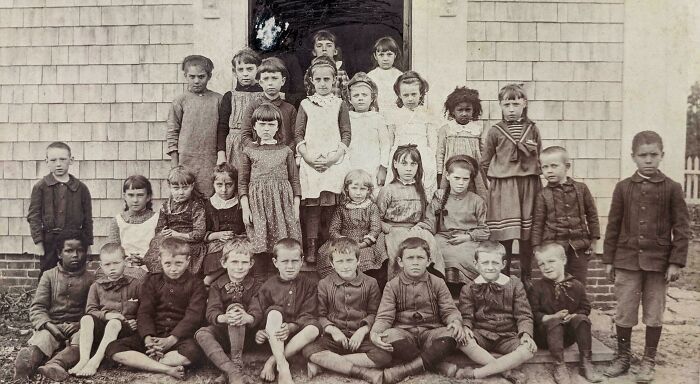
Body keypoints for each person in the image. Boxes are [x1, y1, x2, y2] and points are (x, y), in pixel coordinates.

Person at [603, 131, 690, 382]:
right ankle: (623, 356)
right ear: (633, 157)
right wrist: (609, 259)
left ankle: (649, 359)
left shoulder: (672, 188)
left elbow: (682, 228)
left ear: (662, 156)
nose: (648, 160)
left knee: (654, 311)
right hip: (627, 260)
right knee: (625, 310)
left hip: (658, 263)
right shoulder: (623, 188)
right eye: (643, 156)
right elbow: (613, 225)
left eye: (654, 155)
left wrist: (675, 262)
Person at [105, 238, 207, 380]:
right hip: (153, 336)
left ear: (188, 260)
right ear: (160, 260)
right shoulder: (152, 280)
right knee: (113, 349)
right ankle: (165, 368)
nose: (173, 268)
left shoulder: (196, 284)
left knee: (193, 353)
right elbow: (144, 312)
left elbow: (193, 316)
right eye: (168, 263)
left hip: (179, 338)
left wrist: (171, 340)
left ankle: (144, 362)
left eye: (178, 263)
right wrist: (148, 339)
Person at [370, 237, 465, 384]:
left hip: (431, 332)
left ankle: (406, 370)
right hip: (404, 333)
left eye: (420, 258)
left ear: (428, 261)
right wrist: (375, 332)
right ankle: (438, 365)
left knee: (452, 334)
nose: (415, 262)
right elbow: (384, 316)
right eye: (410, 258)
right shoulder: (392, 285)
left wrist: (455, 321)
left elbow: (449, 309)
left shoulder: (438, 283)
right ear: (400, 262)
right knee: (387, 335)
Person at [303, 238, 392, 384]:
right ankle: (355, 370)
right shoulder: (324, 284)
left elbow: (374, 313)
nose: (345, 266)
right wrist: (332, 330)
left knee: (384, 355)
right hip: (334, 338)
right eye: (340, 261)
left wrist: (362, 331)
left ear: (358, 260)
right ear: (332, 263)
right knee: (308, 349)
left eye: (349, 260)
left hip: (361, 338)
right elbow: (320, 314)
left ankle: (325, 365)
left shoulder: (370, 283)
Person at [448, 241, 536, 383]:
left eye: (495, 263)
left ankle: (477, 373)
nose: (490, 267)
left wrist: (525, 334)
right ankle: (506, 371)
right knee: (461, 340)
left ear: (503, 264)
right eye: (485, 263)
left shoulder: (514, 285)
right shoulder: (469, 288)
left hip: (508, 335)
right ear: (476, 264)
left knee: (529, 349)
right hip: (482, 334)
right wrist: (466, 327)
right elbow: (467, 315)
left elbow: (524, 315)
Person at [480, 83, 542, 285]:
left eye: (516, 103)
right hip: (504, 189)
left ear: (524, 104)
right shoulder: (495, 131)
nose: (512, 109)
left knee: (526, 237)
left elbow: (539, 156)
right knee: (505, 236)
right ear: (500, 105)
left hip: (528, 187)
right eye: (507, 104)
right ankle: (503, 278)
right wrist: (497, 184)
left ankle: (526, 277)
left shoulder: (532, 129)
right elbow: (485, 162)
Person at [14, 233, 94, 381]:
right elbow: (38, 307)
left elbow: (92, 309)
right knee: (42, 340)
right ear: (59, 253)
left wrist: (79, 324)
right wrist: (49, 325)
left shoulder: (91, 280)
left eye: (80, 250)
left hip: (78, 326)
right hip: (52, 325)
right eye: (69, 251)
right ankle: (26, 365)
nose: (75, 255)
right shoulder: (49, 276)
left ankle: (56, 365)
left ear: (86, 253)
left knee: (82, 341)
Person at [295, 55, 352, 262]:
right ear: (311, 81)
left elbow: (346, 133)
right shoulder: (306, 104)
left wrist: (335, 156)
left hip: (333, 162)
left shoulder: (339, 104)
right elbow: (298, 134)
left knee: (332, 207)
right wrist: (308, 158)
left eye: (326, 80)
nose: (322, 84)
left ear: (334, 80)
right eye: (318, 80)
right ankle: (311, 247)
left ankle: (330, 247)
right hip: (311, 162)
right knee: (313, 208)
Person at [239, 103, 303, 274]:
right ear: (254, 126)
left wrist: (296, 207)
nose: (266, 128)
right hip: (258, 205)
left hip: (283, 205)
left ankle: (282, 278)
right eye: (262, 124)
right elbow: (243, 182)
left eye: (271, 124)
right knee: (260, 243)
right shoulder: (248, 150)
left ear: (278, 126)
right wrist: (245, 208)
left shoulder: (286, 151)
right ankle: (260, 282)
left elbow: (295, 180)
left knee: (282, 244)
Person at [247, 238, 320, 384]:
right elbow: (257, 309)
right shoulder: (268, 285)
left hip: (297, 338)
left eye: (294, 261)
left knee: (314, 328)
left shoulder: (310, 285)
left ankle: (273, 361)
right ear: (275, 263)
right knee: (274, 312)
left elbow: (309, 313)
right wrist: (259, 331)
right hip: (274, 337)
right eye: (284, 261)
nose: (290, 266)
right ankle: (284, 367)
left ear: (301, 261)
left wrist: (292, 326)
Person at [69, 243, 146, 377]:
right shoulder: (96, 286)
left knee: (115, 323)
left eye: (116, 263)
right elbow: (91, 310)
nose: (112, 268)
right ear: (101, 265)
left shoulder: (136, 284)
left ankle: (95, 361)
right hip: (103, 329)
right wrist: (107, 315)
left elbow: (145, 309)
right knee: (86, 319)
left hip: (125, 331)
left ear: (125, 261)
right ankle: (84, 360)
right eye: (107, 265)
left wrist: (137, 321)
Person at [528, 243, 602, 384]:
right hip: (545, 337)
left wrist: (573, 316)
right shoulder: (537, 288)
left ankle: (586, 362)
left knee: (582, 319)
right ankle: (559, 365)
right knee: (554, 322)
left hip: (567, 337)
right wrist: (551, 317)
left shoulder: (577, 285)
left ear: (563, 260)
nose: (546, 267)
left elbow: (585, 308)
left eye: (551, 261)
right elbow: (532, 312)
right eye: (541, 264)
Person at [415, 155, 489, 290]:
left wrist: (468, 236)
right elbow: (430, 221)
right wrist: (420, 228)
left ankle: (463, 287)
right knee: (434, 250)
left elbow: (485, 230)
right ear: (448, 176)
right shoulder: (440, 197)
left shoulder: (477, 201)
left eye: (465, 179)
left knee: (465, 254)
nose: (461, 183)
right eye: (457, 178)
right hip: (444, 238)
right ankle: (441, 286)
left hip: (467, 240)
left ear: (470, 180)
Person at [195, 239, 264, 384]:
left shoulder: (257, 286)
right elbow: (211, 312)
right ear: (224, 263)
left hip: (247, 336)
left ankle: (234, 368)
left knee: (236, 310)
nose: (239, 267)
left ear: (251, 264)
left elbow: (257, 311)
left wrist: (247, 318)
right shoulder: (216, 286)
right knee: (201, 333)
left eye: (244, 262)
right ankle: (233, 371)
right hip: (223, 335)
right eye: (234, 262)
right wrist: (224, 318)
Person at [532, 146, 600, 286]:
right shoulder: (542, 195)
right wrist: (537, 247)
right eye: (545, 167)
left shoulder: (581, 189)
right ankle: (557, 308)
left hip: (579, 247)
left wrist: (593, 241)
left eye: (554, 166)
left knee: (578, 282)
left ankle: (577, 308)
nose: (549, 171)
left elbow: (592, 215)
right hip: (553, 248)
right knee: (555, 282)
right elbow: (538, 223)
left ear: (567, 166)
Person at [376, 145, 444, 280]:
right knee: (399, 247)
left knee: (430, 242)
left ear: (418, 166)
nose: (408, 168)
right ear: (395, 164)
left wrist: (421, 226)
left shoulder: (421, 189)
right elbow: (376, 217)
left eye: (413, 164)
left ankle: (428, 282)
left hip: (416, 228)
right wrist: (385, 227)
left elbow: (426, 215)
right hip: (393, 230)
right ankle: (399, 284)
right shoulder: (388, 190)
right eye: (404, 163)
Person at [27, 141, 93, 278]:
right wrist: (39, 242)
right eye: (53, 160)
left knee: (75, 274)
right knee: (48, 274)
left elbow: (88, 219)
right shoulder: (40, 187)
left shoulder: (81, 188)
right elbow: (34, 217)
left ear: (71, 160)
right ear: (46, 161)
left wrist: (88, 243)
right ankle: (45, 300)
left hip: (74, 241)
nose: (58, 164)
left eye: (63, 159)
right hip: (50, 241)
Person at [167, 54, 223, 197]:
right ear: (185, 76)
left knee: (208, 197)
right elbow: (172, 132)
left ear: (209, 76)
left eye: (201, 76)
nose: (197, 81)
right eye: (192, 77)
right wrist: (175, 165)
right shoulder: (180, 101)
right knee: (186, 197)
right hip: (186, 160)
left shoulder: (218, 100)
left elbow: (223, 131)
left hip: (210, 159)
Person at [316, 170, 387, 282]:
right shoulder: (342, 208)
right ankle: (338, 284)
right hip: (344, 241)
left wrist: (364, 243)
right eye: (354, 188)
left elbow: (375, 228)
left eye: (362, 189)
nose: (358, 193)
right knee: (329, 254)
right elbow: (333, 229)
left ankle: (361, 284)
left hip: (364, 242)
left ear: (368, 191)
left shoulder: (372, 207)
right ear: (347, 189)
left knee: (365, 256)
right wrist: (342, 241)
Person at [143, 166, 207, 274]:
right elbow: (159, 228)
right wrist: (163, 232)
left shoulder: (196, 206)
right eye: (176, 188)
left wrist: (178, 234)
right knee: (157, 246)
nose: (181, 192)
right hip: (171, 239)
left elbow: (199, 233)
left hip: (189, 241)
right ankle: (160, 278)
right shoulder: (166, 206)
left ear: (192, 186)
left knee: (180, 254)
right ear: (169, 186)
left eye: (185, 188)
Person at [385, 71, 439, 198]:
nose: (410, 98)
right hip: (400, 154)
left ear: (421, 94)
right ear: (399, 95)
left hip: (422, 155)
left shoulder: (427, 114)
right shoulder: (394, 115)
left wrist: (431, 157)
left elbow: (432, 140)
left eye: (414, 94)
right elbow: (390, 139)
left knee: (423, 183)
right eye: (406, 95)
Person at [437, 86, 488, 201]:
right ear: (452, 111)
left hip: (474, 170)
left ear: (474, 110)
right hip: (451, 170)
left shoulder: (477, 129)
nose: (464, 113)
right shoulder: (446, 129)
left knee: (475, 195)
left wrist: (485, 170)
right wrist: (439, 173)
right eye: (460, 110)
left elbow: (483, 151)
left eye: (468, 110)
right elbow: (440, 153)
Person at [217, 48, 264, 169]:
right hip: (235, 147)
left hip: (259, 144)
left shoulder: (264, 95)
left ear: (257, 69)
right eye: (240, 70)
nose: (245, 74)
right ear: (234, 72)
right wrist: (221, 154)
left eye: (249, 69)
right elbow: (222, 128)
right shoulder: (230, 96)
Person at [345, 72, 391, 190]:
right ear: (350, 100)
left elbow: (385, 144)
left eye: (364, 95)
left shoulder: (377, 118)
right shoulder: (347, 118)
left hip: (373, 166)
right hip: (352, 164)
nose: (360, 98)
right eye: (356, 95)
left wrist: (383, 167)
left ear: (372, 98)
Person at [241, 57, 298, 150]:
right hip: (259, 157)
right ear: (260, 82)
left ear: (283, 81)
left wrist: (285, 152)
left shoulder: (290, 109)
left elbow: (295, 137)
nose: (270, 83)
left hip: (283, 158)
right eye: (266, 79)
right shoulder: (253, 106)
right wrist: (257, 149)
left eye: (274, 78)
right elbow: (245, 135)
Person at [203, 163, 245, 285]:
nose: (224, 190)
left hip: (238, 241)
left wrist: (237, 237)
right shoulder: (209, 205)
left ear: (235, 184)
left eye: (229, 185)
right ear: (213, 185)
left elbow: (246, 228)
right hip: (216, 243)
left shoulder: (241, 204)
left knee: (236, 252)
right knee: (216, 255)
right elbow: (203, 233)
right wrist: (217, 235)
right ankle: (209, 281)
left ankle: (208, 282)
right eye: (219, 185)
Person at [106, 175, 159, 269]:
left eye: (140, 195)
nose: (135, 200)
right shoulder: (118, 221)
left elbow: (160, 249)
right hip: (124, 268)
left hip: (151, 268)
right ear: (124, 196)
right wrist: (126, 260)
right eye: (131, 195)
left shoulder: (157, 219)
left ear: (148, 197)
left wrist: (145, 260)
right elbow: (113, 250)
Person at [367, 36, 404, 115]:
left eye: (389, 54)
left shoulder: (400, 76)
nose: (385, 59)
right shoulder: (370, 76)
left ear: (395, 55)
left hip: (396, 113)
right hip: (376, 114)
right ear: (375, 56)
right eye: (381, 55)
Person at [309, 29, 349, 98]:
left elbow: (346, 97)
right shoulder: (310, 72)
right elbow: (309, 95)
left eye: (329, 45)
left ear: (335, 51)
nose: (324, 49)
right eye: (319, 46)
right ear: (314, 52)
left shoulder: (341, 73)